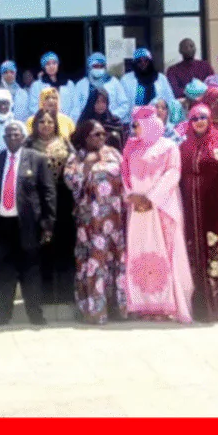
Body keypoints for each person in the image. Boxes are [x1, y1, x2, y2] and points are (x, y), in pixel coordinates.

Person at [0, 121, 55, 326]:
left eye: (16, 135)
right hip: (1, 225)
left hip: (28, 225)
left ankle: (35, 314)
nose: (12, 138)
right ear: (4, 138)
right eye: (8, 135)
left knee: (30, 271)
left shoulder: (37, 159)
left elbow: (48, 192)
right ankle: (2, 315)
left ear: (23, 137)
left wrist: (48, 223)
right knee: (3, 272)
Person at [122, 106, 193, 323]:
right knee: (140, 251)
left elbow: (173, 173)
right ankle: (143, 305)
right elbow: (124, 173)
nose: (135, 129)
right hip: (138, 209)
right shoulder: (131, 147)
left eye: (137, 125)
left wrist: (150, 198)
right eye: (134, 125)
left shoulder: (169, 147)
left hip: (161, 207)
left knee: (166, 251)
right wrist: (132, 195)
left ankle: (166, 305)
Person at [63, 121, 127, 324]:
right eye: (95, 134)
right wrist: (87, 166)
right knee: (94, 263)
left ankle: (118, 309)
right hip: (90, 222)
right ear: (85, 136)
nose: (101, 138)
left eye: (103, 134)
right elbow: (71, 183)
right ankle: (95, 311)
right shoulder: (76, 157)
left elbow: (126, 180)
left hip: (114, 220)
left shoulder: (114, 154)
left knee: (114, 262)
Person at [178, 105, 218, 321]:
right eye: (194, 118)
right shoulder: (184, 146)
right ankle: (198, 306)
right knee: (193, 255)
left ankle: (217, 307)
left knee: (216, 256)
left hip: (215, 211)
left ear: (210, 119)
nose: (199, 122)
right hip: (190, 211)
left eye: (203, 117)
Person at [27, 109, 74, 305]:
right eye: (42, 122)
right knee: (41, 245)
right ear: (35, 124)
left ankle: (65, 294)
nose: (46, 125)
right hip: (37, 199)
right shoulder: (28, 144)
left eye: (50, 122)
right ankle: (43, 295)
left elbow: (74, 166)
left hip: (62, 199)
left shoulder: (65, 143)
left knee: (64, 245)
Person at [120, 47, 175, 123]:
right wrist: (125, 122)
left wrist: (171, 122)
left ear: (150, 62)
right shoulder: (126, 79)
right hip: (135, 123)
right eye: (139, 61)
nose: (143, 64)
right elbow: (123, 103)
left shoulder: (161, 78)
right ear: (134, 63)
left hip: (158, 122)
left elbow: (170, 100)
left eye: (146, 60)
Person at [72, 53, 128, 122]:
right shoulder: (81, 84)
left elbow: (124, 104)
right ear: (89, 67)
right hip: (87, 123)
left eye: (101, 66)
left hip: (109, 122)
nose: (98, 69)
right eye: (95, 66)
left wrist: (112, 116)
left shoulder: (113, 82)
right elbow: (76, 108)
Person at [27, 52, 75, 120]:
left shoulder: (69, 84)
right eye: (48, 64)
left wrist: (68, 121)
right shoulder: (37, 85)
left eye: (54, 63)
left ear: (58, 65)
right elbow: (33, 106)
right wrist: (46, 120)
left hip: (66, 121)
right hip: (45, 122)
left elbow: (75, 106)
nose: (51, 66)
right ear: (43, 67)